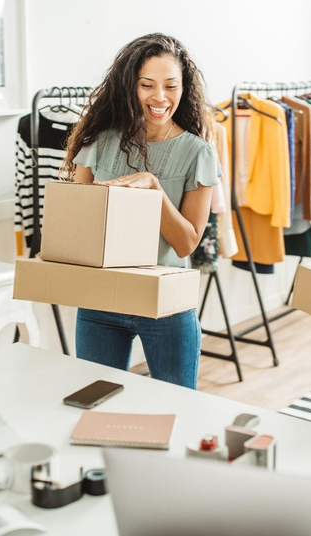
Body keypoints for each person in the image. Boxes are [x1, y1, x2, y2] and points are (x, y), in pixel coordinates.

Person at [62, 33, 221, 390]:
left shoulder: (199, 154)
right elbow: (76, 223)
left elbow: (186, 244)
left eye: (170, 86)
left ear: (184, 88)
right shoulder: (100, 141)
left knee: (175, 408)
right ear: (129, 86)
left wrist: (154, 188)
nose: (159, 97)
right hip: (99, 302)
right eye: (147, 85)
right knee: (96, 405)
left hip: (166, 306)